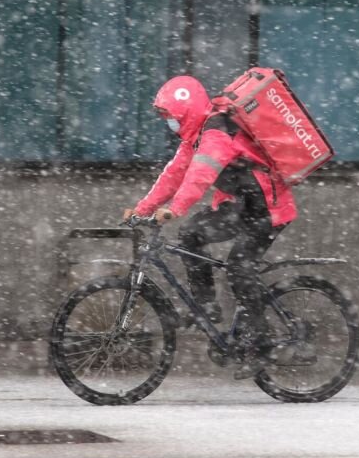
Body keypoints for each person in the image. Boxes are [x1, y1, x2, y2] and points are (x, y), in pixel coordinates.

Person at [123, 75, 297, 379]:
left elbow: (200, 175)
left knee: (240, 268)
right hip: (240, 207)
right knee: (191, 233)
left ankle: (262, 343)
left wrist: (174, 209)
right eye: (165, 118)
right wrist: (143, 208)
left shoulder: (216, 133)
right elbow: (174, 174)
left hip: (267, 209)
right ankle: (206, 306)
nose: (169, 123)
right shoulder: (196, 135)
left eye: (171, 117)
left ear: (188, 112)